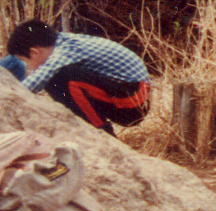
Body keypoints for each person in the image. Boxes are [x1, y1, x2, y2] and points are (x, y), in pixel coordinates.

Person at [5, 19, 152, 133]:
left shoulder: (63, 52)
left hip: (133, 101)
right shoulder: (64, 41)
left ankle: (100, 132)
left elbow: (32, 84)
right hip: (132, 95)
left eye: (25, 62)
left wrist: (7, 97)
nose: (29, 68)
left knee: (62, 77)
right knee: (57, 78)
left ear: (34, 52)